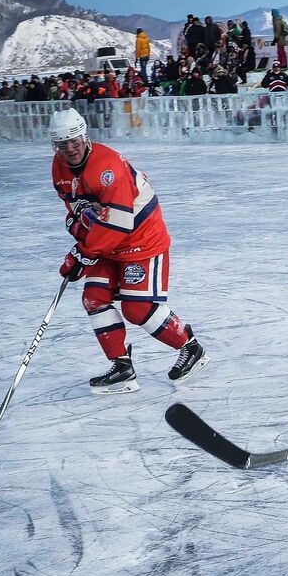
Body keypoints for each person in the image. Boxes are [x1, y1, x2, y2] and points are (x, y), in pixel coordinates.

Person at [47, 108, 206, 393]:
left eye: (74, 141)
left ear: (85, 136)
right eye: (62, 144)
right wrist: (80, 232)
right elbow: (75, 212)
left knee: (137, 309)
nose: (69, 149)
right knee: (94, 298)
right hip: (107, 245)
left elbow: (119, 223)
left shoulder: (106, 167)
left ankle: (190, 347)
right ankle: (122, 366)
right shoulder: (59, 168)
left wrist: (82, 253)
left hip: (141, 241)